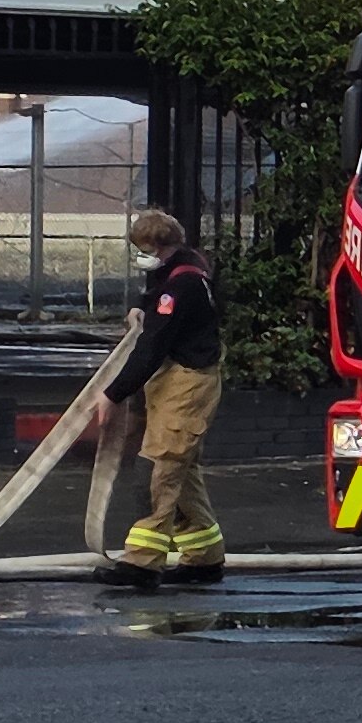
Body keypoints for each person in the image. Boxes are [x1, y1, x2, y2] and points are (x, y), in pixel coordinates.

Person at [102, 209, 227, 585]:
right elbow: (161, 300)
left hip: (184, 385)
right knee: (182, 471)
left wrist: (112, 394)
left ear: (157, 246)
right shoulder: (189, 270)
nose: (142, 257)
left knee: (157, 469)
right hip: (185, 381)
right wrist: (145, 307)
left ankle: (142, 562)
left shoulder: (179, 288)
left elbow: (152, 346)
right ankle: (204, 555)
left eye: (144, 249)